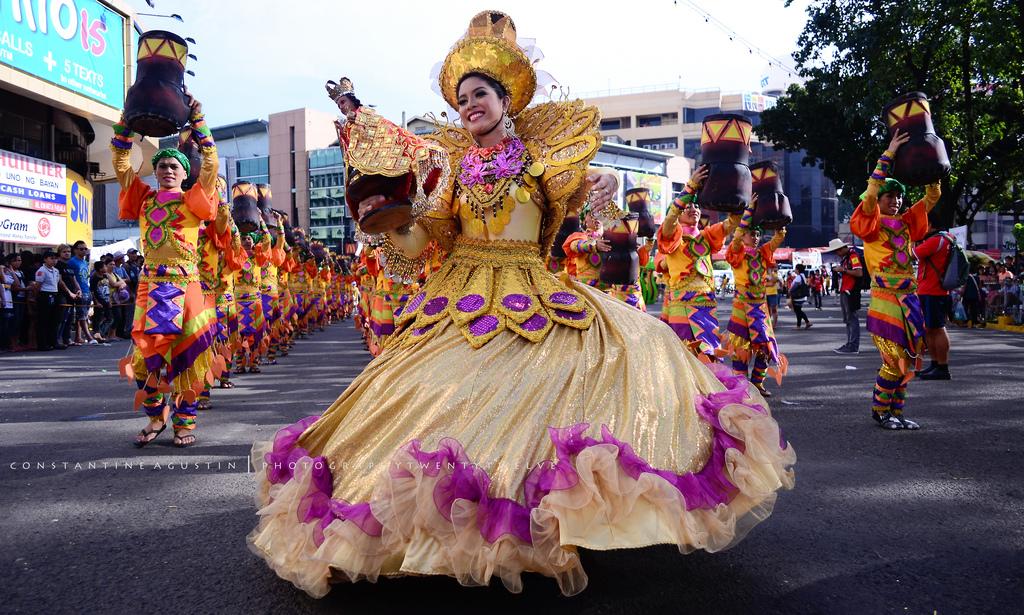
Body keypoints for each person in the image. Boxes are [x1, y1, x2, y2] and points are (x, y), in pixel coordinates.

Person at [248, 11, 794, 599]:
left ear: (505, 100)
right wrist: (385, 226)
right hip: (459, 298)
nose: (469, 107)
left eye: (479, 95)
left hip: (535, 292)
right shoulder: (449, 173)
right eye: (461, 101)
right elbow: (420, 243)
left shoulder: (544, 163)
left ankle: (547, 522)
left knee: (629, 352)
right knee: (440, 399)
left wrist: (606, 191)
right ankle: (434, 530)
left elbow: (608, 224)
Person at [111, 90, 220, 448]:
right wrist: (125, 125)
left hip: (187, 288)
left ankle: (185, 423)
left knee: (188, 360)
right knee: (144, 364)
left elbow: (210, 164)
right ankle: (158, 416)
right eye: (162, 166)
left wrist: (199, 123)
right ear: (155, 171)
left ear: (183, 173)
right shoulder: (143, 197)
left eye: (175, 166)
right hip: (151, 288)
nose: (168, 170)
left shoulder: (194, 199)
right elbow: (121, 163)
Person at [850, 130, 940, 430]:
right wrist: (888, 154)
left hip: (910, 300)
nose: (897, 200)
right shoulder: (872, 223)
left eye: (899, 196)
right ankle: (880, 411)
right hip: (885, 300)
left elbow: (931, 197)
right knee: (894, 359)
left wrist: (932, 165)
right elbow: (871, 192)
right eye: (891, 196)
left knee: (910, 356)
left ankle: (897, 411)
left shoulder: (906, 223)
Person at [655, 164, 737, 359]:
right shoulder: (671, 235)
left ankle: (708, 389)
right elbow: (671, 218)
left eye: (696, 205)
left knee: (709, 355)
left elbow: (731, 223)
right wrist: (690, 187)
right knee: (684, 356)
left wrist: (738, 195)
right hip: (680, 305)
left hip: (706, 305)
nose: (694, 209)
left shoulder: (706, 236)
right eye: (688, 206)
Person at [914, 223, 954, 380]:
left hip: (934, 291)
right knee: (929, 329)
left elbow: (912, 254)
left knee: (937, 328)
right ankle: (935, 364)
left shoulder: (939, 239)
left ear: (930, 224)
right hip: (928, 290)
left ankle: (943, 367)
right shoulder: (940, 239)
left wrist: (913, 239)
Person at [822, 238, 864, 354]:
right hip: (845, 290)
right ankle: (850, 344)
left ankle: (853, 346)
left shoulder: (853, 256)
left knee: (852, 319)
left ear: (842, 249)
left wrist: (843, 270)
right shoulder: (847, 257)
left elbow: (859, 272)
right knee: (848, 319)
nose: (837, 253)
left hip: (851, 291)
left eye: (837, 251)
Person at [33, 251, 62, 351]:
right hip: (45, 295)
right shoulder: (41, 271)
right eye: (51, 258)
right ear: (45, 259)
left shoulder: (56, 271)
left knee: (54, 320)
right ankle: (42, 344)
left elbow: (57, 283)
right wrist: (37, 297)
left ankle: (53, 342)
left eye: (55, 258)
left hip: (54, 294)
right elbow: (37, 286)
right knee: (43, 321)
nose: (54, 261)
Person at [789, 264, 812, 329]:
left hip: (798, 296)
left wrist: (790, 290)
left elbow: (794, 287)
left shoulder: (799, 277)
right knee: (798, 310)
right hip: (801, 296)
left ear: (798, 270)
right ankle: (799, 325)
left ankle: (807, 322)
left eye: (795, 269)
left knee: (798, 311)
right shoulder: (802, 276)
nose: (795, 270)